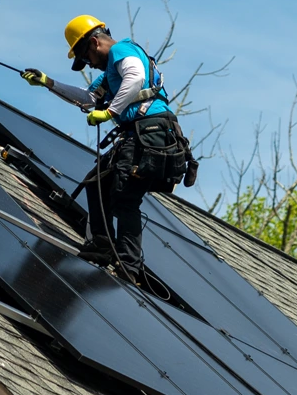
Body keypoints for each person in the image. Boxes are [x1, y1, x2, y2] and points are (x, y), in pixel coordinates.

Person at [20, 15, 191, 280]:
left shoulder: (122, 50)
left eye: (86, 58)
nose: (89, 64)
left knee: (125, 197)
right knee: (96, 182)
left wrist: (110, 112)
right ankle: (101, 245)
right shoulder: (110, 75)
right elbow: (88, 98)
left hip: (151, 132)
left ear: (94, 42)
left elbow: (135, 78)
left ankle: (128, 267)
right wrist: (48, 83)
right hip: (139, 135)